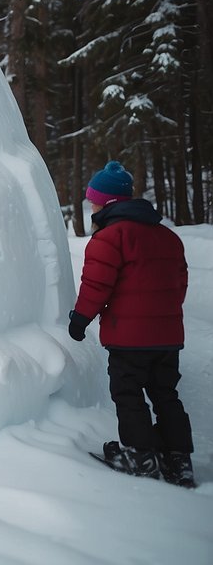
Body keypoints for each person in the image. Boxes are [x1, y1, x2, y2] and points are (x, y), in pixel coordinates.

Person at [68, 161, 193, 487]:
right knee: (166, 394)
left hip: (129, 338)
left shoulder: (110, 237)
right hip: (167, 337)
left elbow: (96, 285)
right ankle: (178, 460)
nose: (91, 205)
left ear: (108, 202)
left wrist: (80, 319)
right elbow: (180, 283)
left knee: (128, 393)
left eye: (94, 199)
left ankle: (139, 456)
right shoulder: (167, 236)